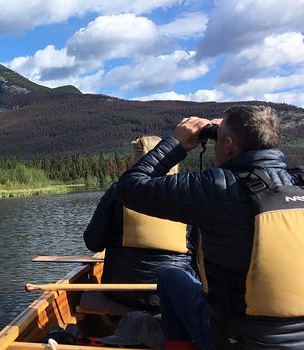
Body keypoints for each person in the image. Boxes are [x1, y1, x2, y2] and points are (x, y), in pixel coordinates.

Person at [115, 105, 304, 349]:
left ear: (227, 144)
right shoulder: (299, 181)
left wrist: (177, 143)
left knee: (170, 278)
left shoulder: (217, 187)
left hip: (235, 339)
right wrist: (230, 129)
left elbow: (130, 188)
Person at [83, 135, 196, 312]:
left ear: (136, 160)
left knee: (87, 296)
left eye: (130, 157)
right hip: (172, 296)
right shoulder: (188, 194)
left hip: (122, 294)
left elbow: (93, 243)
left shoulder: (118, 192)